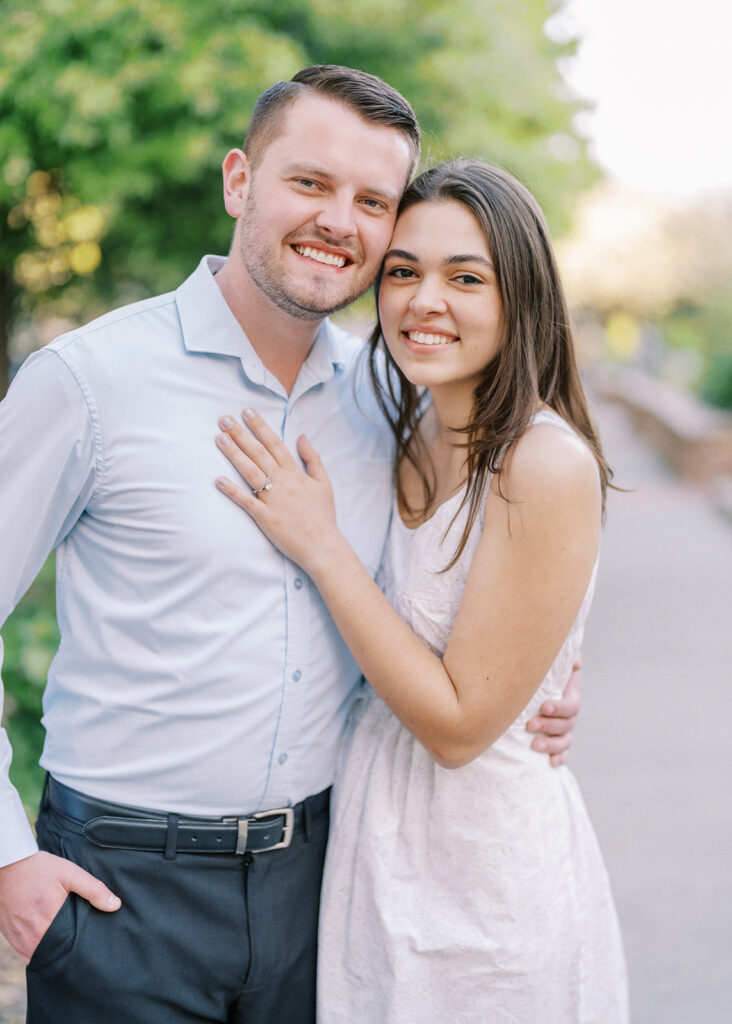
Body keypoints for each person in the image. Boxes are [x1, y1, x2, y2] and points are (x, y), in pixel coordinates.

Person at [0, 68, 580, 1023]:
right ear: (240, 181)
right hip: (122, 891)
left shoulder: (389, 402)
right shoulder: (89, 380)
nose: (338, 222)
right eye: (310, 182)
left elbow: (460, 585)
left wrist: (546, 677)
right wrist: (8, 862)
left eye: (372, 201)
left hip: (325, 887)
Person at [214, 159, 629, 1022]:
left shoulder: (542, 462)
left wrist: (321, 546)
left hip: (485, 888)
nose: (423, 301)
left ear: (522, 297)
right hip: (375, 858)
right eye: (403, 271)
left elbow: (459, 726)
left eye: (465, 278)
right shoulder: (401, 426)